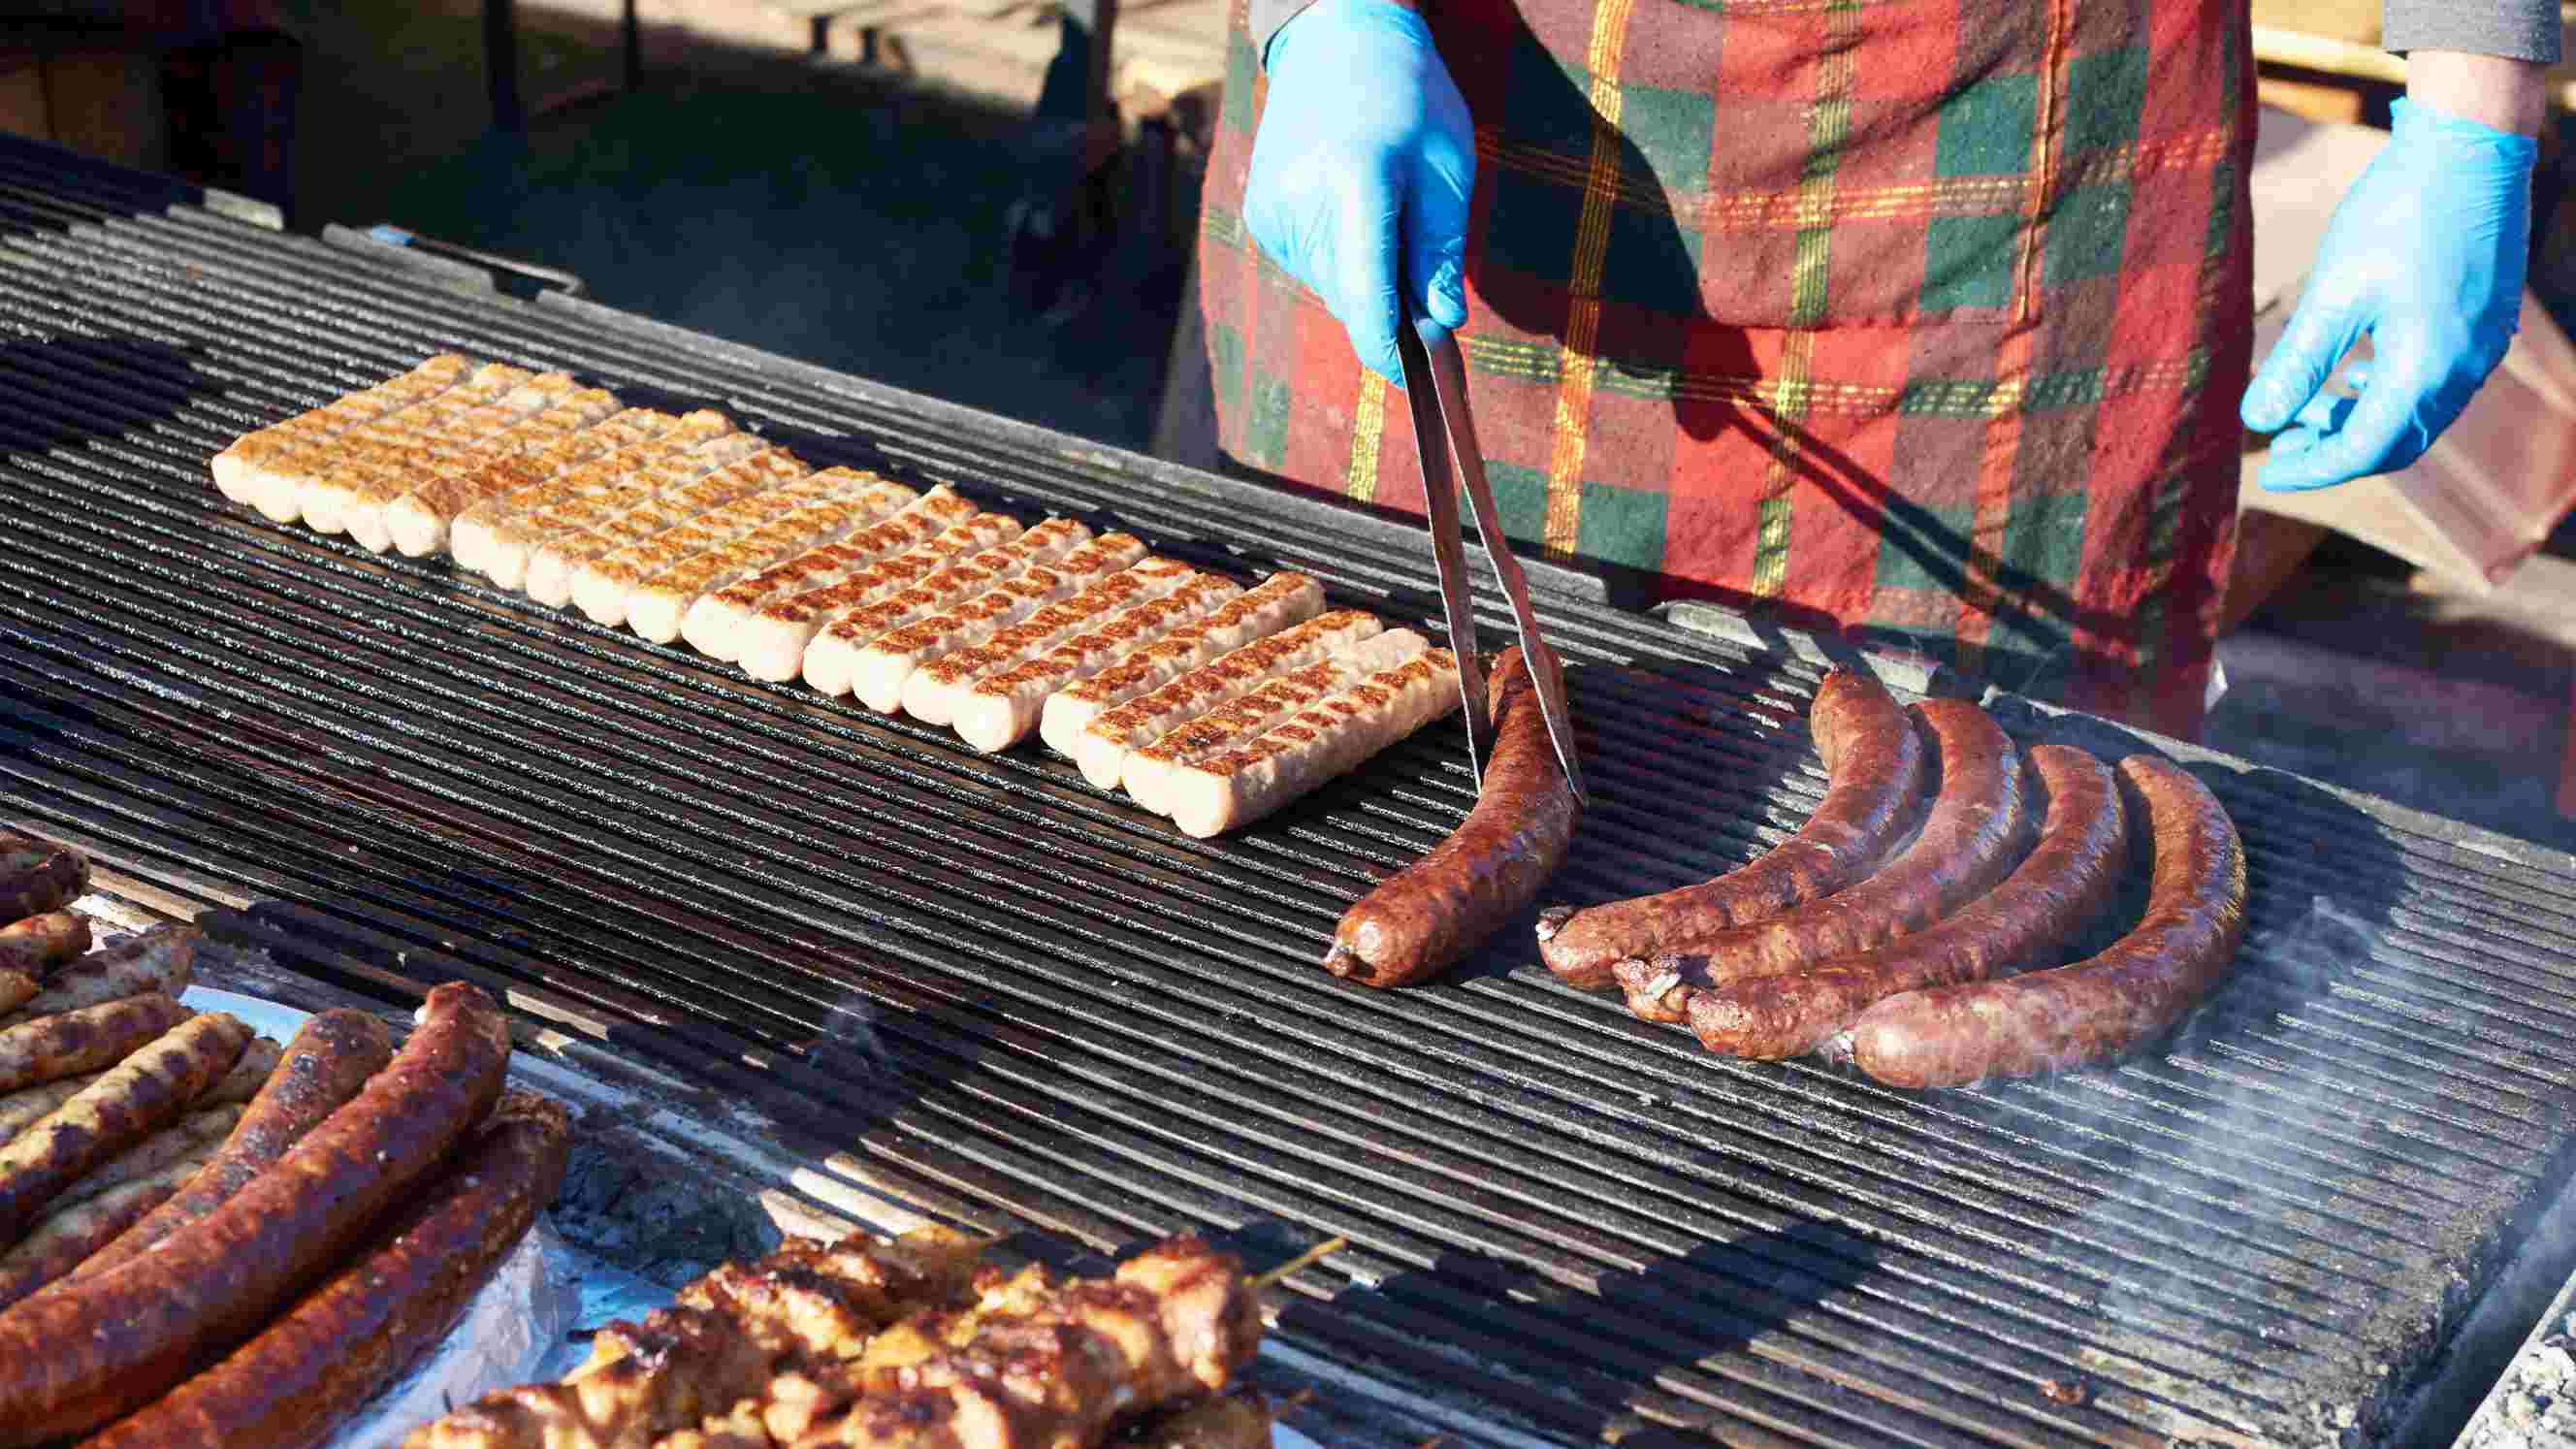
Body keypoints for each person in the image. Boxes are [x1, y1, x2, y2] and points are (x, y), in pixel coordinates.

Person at [1190, 0, 2551, 737]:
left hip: (2017, 159)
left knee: (2000, 828)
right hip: (1468, 101)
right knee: (1321, 740)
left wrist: (2472, 102)